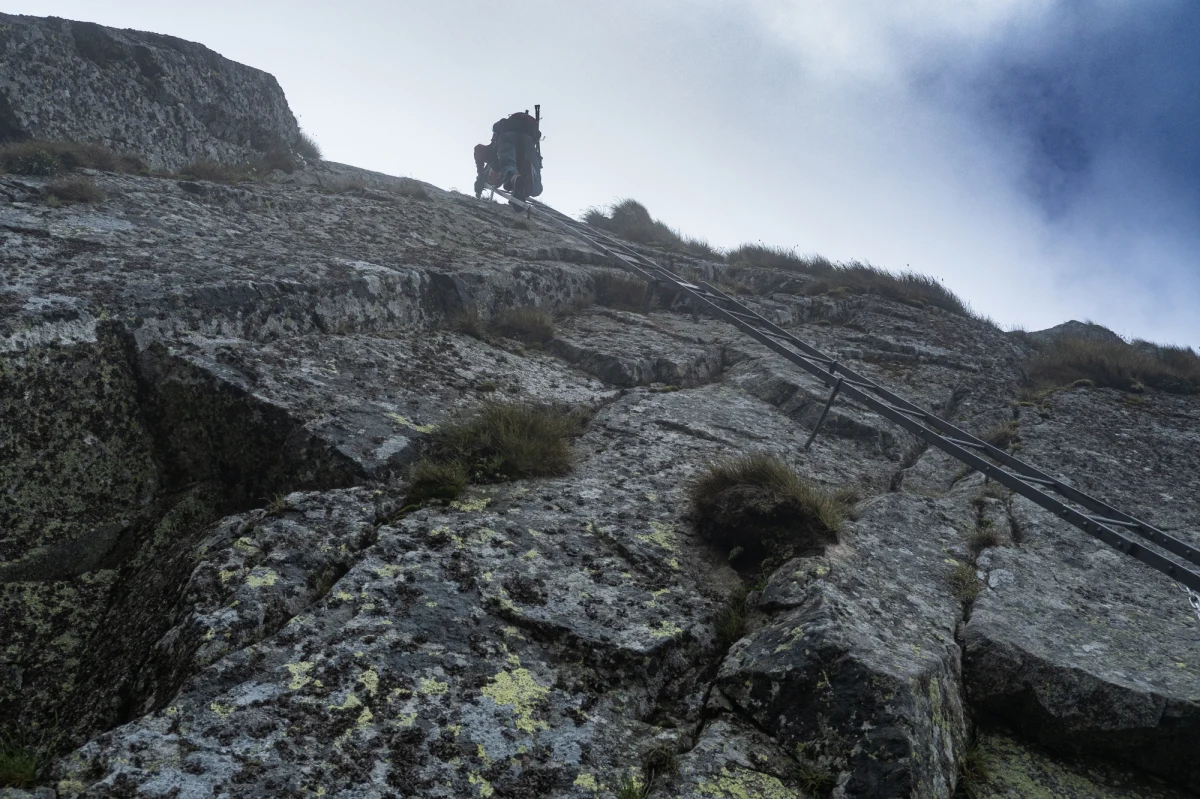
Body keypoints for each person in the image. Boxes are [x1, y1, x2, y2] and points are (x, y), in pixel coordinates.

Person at [473, 109, 543, 200]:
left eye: (490, 176)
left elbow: (478, 149)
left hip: (510, 136)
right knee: (535, 190)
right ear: (500, 177)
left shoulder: (491, 158)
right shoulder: (517, 166)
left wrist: (480, 175)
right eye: (497, 177)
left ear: (488, 171)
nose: (494, 175)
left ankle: (513, 178)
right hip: (528, 139)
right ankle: (522, 185)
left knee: (508, 162)